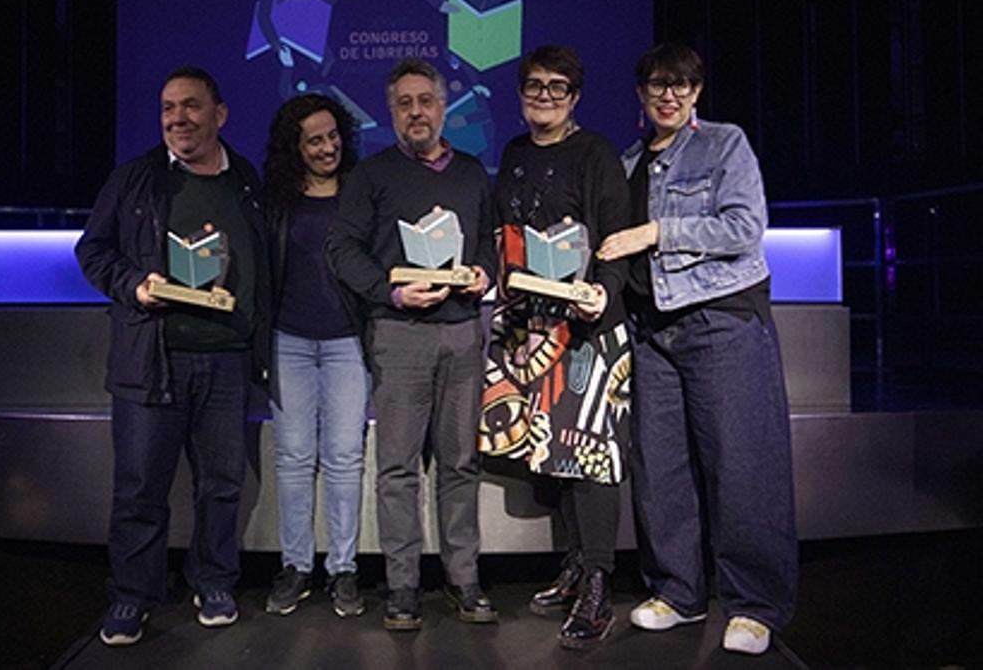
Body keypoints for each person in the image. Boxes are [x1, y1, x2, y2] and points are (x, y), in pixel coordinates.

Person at [596, 43, 798, 656]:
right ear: (641, 92)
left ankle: (754, 604)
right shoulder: (629, 161)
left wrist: (662, 230)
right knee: (661, 470)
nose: (669, 95)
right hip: (652, 333)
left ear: (697, 92)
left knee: (742, 466)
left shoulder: (722, 144)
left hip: (719, 321)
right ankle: (679, 592)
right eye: (658, 85)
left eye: (682, 85)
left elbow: (744, 228)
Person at [75, 66, 270, 646]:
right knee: (140, 488)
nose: (177, 118)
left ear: (220, 114)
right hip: (151, 361)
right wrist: (133, 283)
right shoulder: (134, 180)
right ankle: (132, 596)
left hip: (227, 362)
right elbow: (92, 251)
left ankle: (213, 582)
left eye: (189, 106)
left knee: (221, 484)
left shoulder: (246, 181)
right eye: (167, 108)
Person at [326, 58, 497, 631]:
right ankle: (402, 587)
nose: (416, 112)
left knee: (460, 463)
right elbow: (342, 250)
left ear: (442, 106)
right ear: (391, 110)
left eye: (425, 100)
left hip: (462, 332)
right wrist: (391, 295)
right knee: (398, 467)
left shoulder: (473, 172)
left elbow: (492, 246)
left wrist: (483, 275)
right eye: (404, 103)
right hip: (399, 335)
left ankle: (463, 579)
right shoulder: (371, 176)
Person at [479, 45, 632, 649]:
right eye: (535, 86)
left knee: (589, 455)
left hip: (589, 325)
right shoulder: (515, 153)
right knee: (553, 456)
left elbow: (615, 238)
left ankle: (598, 585)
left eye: (558, 87)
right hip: (530, 328)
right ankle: (573, 563)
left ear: (576, 98)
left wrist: (605, 289)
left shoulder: (595, 154)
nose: (544, 95)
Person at [261, 94, 369, 618]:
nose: (328, 147)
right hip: (290, 342)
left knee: (346, 458)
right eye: (315, 140)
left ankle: (344, 569)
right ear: (295, 147)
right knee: (294, 458)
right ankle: (296, 565)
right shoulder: (277, 200)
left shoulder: (361, 193)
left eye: (333, 136)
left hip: (349, 342)